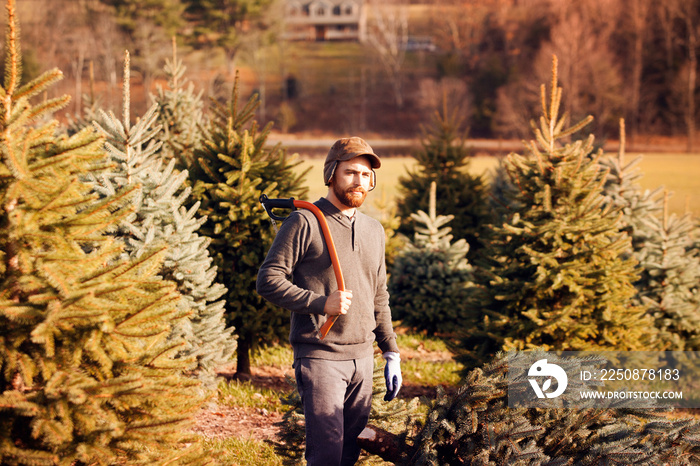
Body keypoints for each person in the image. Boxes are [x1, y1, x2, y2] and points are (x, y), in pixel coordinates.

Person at [256, 136, 402, 466]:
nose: (359, 182)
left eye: (366, 175)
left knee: (350, 453)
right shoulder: (304, 222)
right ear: (331, 174)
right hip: (321, 357)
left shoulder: (373, 230)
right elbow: (268, 281)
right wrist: (322, 303)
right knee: (326, 455)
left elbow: (379, 293)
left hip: (363, 358)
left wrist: (390, 350)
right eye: (351, 173)